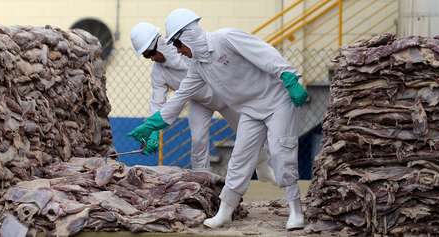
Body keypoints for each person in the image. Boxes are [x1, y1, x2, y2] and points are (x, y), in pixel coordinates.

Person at [128, 9, 308, 230]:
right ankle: (224, 212)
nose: (179, 51)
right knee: (239, 158)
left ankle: (296, 211)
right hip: (249, 107)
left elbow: (264, 53)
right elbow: (181, 96)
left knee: (281, 152)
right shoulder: (196, 65)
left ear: (188, 36)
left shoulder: (226, 38)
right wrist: (153, 125)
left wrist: (287, 75)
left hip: (276, 99)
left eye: (178, 44)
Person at [129, 22, 276, 180]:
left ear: (159, 43)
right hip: (199, 102)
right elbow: (158, 102)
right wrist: (153, 132)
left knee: (247, 132)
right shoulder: (159, 73)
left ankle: (263, 168)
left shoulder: (185, 49)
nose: (151, 58)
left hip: (225, 95)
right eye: (146, 55)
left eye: (151, 52)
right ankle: (203, 179)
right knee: (198, 140)